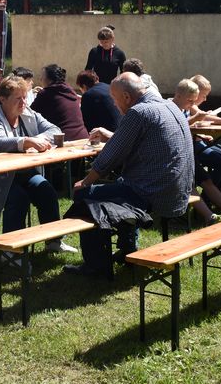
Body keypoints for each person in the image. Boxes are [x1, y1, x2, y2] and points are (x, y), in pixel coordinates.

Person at [65, 72, 194, 276]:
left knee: (85, 196)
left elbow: (110, 156)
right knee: (122, 184)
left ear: (126, 97)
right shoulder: (170, 106)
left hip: (153, 193)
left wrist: (86, 181)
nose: (114, 104)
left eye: (114, 99)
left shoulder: (138, 112)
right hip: (179, 191)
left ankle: (96, 266)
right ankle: (127, 249)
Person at [0, 75, 76, 253]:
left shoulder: (28, 113)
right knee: (18, 199)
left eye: (24, 97)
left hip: (22, 172)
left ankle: (54, 241)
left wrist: (37, 139)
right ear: (2, 99)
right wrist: (27, 141)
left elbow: (54, 130)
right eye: (18, 98)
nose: (23, 102)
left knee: (47, 192)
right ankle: (11, 252)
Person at [171, 78, 221, 224]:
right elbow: (177, 126)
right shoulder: (170, 108)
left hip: (188, 153)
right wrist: (196, 119)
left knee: (207, 181)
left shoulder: (185, 106)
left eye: (194, 101)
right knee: (191, 185)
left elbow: (196, 118)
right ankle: (210, 216)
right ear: (179, 95)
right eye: (190, 101)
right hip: (177, 156)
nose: (192, 105)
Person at [189, 74, 221, 192]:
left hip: (199, 140)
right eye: (204, 96)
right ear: (196, 93)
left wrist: (203, 134)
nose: (205, 99)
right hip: (193, 146)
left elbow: (199, 121)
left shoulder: (192, 106)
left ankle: (220, 190)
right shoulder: (190, 104)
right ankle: (211, 194)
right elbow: (203, 118)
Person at [30, 64, 88, 141]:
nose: (40, 79)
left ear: (49, 79)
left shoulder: (46, 93)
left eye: (42, 77)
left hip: (63, 140)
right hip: (83, 137)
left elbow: (30, 115)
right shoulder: (70, 90)